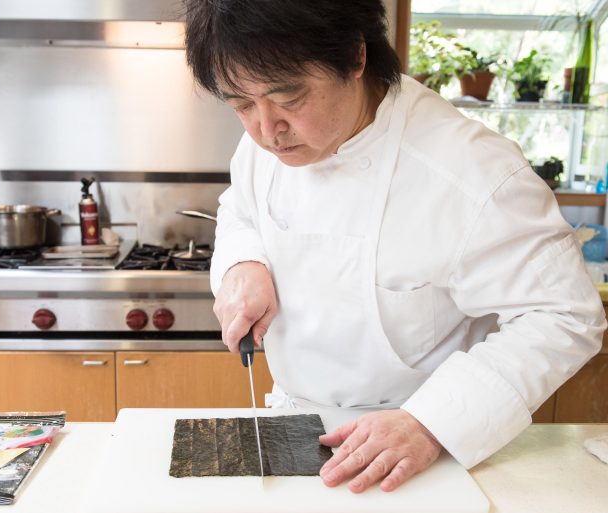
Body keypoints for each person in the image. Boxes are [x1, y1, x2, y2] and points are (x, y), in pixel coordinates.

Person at [183, 0, 606, 494]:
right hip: (294, 422)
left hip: (420, 445)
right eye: (240, 105)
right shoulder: (268, 142)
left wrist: (430, 423)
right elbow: (240, 207)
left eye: (291, 98)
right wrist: (243, 261)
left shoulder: (471, 171)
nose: (266, 130)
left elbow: (564, 315)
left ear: (355, 56)